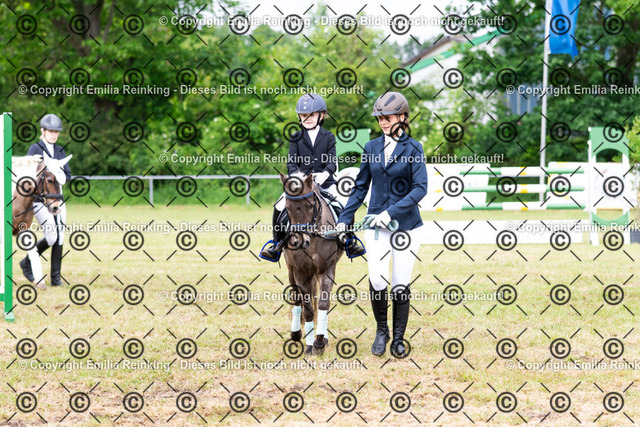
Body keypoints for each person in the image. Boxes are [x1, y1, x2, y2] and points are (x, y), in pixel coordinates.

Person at [336, 92, 427, 358]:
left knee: (399, 283)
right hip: (376, 226)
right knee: (376, 278)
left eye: (388, 117)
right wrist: (344, 218)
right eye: (380, 118)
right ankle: (382, 330)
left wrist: (390, 213)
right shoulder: (371, 147)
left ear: (403, 117)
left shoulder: (414, 148)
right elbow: (360, 187)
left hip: (407, 226)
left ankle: (398, 338)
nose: (383, 123)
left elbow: (420, 188)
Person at [260, 93, 365, 261]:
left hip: (326, 182)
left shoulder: (329, 136)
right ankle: (276, 243)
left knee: (344, 204)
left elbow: (332, 161)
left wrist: (324, 174)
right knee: (279, 206)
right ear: (299, 117)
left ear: (321, 116)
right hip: (302, 185)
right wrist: (298, 176)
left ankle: (349, 241)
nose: (307, 119)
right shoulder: (296, 137)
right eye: (303, 115)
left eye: (312, 115)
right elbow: (291, 163)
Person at [19, 113, 72, 287]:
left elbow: (68, 175)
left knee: (60, 236)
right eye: (50, 131)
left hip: (57, 198)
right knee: (51, 236)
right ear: (43, 131)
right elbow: (29, 174)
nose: (54, 134)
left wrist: (57, 173)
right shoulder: (35, 148)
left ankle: (56, 278)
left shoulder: (60, 150)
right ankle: (27, 263)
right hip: (38, 200)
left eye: (56, 132)